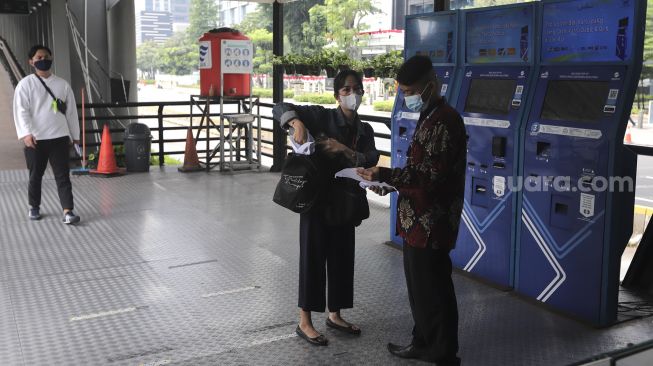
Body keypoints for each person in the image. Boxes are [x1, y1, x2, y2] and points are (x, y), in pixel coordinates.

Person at [358, 55, 466, 365]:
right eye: (402, 91)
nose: (407, 97)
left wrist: (386, 174)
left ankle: (444, 354)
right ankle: (423, 343)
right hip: (417, 221)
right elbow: (418, 171)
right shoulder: (429, 115)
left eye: (410, 91)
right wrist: (389, 184)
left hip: (432, 223)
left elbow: (430, 176)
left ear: (430, 86)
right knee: (421, 291)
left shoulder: (445, 120)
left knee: (434, 292)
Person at [272, 70, 379, 346]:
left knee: (343, 259)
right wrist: (295, 123)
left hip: (347, 201)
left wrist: (344, 150)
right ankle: (304, 321)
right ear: (336, 95)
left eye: (356, 89)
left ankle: (335, 315)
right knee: (313, 258)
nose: (351, 94)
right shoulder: (320, 116)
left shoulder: (364, 130)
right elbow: (281, 107)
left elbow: (370, 157)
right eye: (346, 90)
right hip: (317, 201)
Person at [13, 45, 81, 225]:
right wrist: (26, 134)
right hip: (36, 139)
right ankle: (34, 206)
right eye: (38, 57)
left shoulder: (62, 84)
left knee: (63, 176)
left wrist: (75, 135)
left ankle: (68, 211)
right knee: (36, 175)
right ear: (31, 62)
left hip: (59, 137)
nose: (43, 60)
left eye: (46, 56)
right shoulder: (25, 84)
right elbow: (21, 111)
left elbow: (71, 112)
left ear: (51, 59)